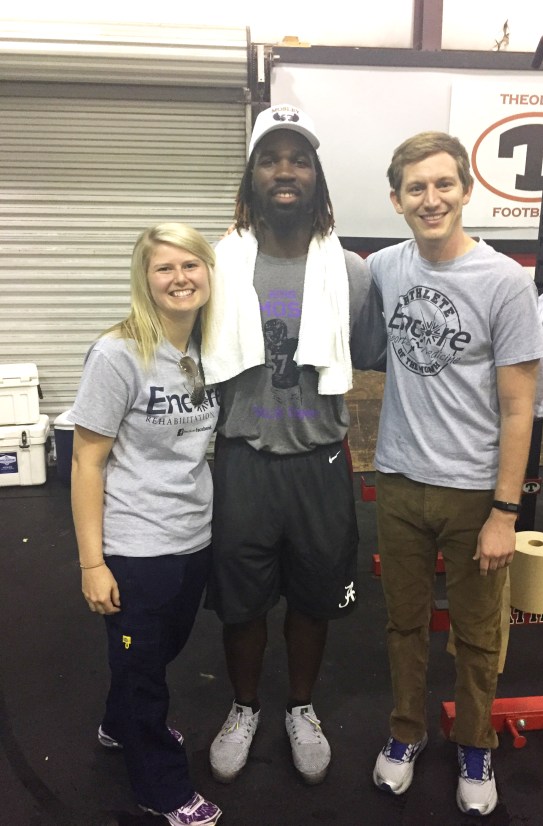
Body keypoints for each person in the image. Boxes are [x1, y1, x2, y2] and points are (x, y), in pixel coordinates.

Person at [359, 132, 543, 816]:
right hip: (401, 482)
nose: (431, 199)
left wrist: (506, 511)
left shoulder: (503, 281)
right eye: (416, 188)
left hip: (477, 494)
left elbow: (520, 405)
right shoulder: (383, 268)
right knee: (404, 624)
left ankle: (476, 744)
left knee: (478, 632)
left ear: (467, 190)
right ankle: (406, 732)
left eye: (444, 185)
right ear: (396, 200)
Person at [200, 103, 372, 786]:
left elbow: (370, 355)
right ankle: (244, 708)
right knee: (240, 603)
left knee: (313, 598)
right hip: (242, 458)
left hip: (320, 461)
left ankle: (300, 708)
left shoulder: (351, 272)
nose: (285, 170)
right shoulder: (217, 265)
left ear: (317, 177)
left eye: (299, 159)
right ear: (251, 175)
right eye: (271, 158)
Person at [69, 223, 222, 826]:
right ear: (145, 279)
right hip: (135, 544)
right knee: (143, 673)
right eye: (165, 268)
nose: (180, 278)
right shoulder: (117, 353)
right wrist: (91, 562)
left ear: (208, 272)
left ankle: (117, 724)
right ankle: (162, 789)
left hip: (194, 533)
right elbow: (87, 461)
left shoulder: (212, 348)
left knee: (157, 653)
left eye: (191, 265)